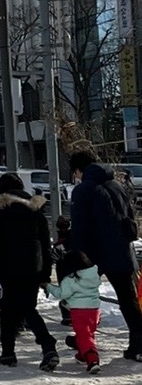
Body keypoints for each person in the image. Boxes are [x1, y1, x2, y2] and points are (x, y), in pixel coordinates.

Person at [68, 150, 142, 362]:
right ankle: (138, 344)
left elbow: (81, 227)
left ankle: (85, 340)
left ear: (79, 170)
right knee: (128, 300)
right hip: (121, 250)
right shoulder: (117, 185)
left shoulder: (84, 190)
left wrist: (77, 255)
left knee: (83, 296)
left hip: (93, 253)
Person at [0, 172, 58, 371]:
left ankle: (8, 353)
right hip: (32, 267)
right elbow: (45, 245)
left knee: (7, 310)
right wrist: (45, 273)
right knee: (28, 309)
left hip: (5, 268)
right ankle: (47, 345)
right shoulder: (35, 211)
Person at [45, 249, 102, 373]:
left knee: (83, 335)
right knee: (88, 334)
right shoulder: (94, 274)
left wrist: (48, 286)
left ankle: (92, 358)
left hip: (79, 311)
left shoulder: (71, 279)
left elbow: (61, 293)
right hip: (95, 311)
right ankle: (82, 355)